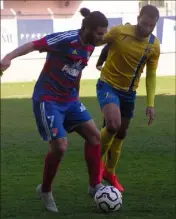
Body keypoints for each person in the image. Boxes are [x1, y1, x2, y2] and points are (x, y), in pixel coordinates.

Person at [0, 8, 108, 212]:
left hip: (70, 100)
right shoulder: (66, 39)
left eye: (103, 33)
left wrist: (76, 95)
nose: (102, 37)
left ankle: (95, 186)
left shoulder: (90, 46)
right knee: (60, 147)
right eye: (99, 33)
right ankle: (45, 190)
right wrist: (8, 57)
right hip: (48, 99)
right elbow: (33, 45)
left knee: (95, 137)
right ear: (87, 28)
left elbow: (77, 71)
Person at [96, 5, 160, 192]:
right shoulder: (119, 32)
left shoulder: (153, 46)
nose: (146, 28)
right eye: (144, 23)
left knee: (121, 133)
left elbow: (151, 75)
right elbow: (97, 40)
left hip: (129, 93)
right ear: (138, 17)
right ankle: (96, 164)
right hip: (107, 85)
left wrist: (150, 104)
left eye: (151, 25)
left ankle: (110, 172)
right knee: (113, 125)